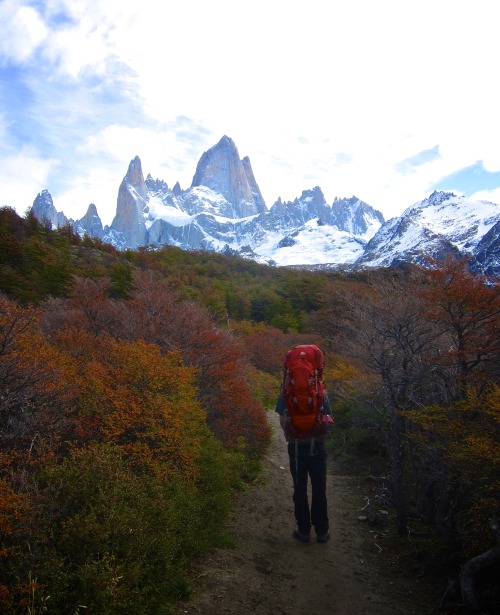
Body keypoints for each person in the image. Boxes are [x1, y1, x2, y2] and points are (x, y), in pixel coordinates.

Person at [275, 387, 332, 543]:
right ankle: (321, 531)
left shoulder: (286, 392)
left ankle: (304, 530)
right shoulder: (321, 391)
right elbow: (326, 416)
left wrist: (294, 433)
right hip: (318, 446)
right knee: (319, 487)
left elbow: (282, 419)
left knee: (299, 487)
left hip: (296, 447)